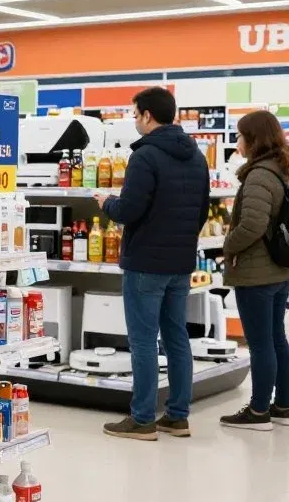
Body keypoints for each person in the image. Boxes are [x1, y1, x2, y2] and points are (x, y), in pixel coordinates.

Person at [93, 87, 210, 440]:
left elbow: (129, 210)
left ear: (147, 115)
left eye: (134, 114)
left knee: (143, 341)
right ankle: (177, 415)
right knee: (177, 337)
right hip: (180, 261)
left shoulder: (145, 157)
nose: (133, 121)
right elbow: (202, 212)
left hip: (145, 262)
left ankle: (142, 419)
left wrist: (106, 202)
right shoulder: (197, 156)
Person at [219, 109, 289, 431]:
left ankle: (259, 411)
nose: (237, 141)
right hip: (279, 269)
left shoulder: (259, 175)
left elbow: (252, 224)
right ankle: (283, 404)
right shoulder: (282, 169)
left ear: (254, 139)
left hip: (257, 272)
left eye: (240, 135)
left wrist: (228, 244)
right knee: (276, 339)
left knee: (261, 343)